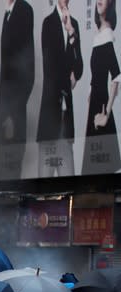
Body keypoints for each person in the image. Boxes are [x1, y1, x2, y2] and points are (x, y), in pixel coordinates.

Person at [36, 0, 83, 177]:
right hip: (49, 117)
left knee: (69, 182)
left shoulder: (75, 25)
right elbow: (49, 68)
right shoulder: (48, 23)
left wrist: (71, 33)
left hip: (65, 119)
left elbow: (79, 68)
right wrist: (67, 79)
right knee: (43, 185)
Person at [0, 0, 35, 180]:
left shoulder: (24, 10)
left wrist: (12, 114)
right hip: (5, 116)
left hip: (13, 116)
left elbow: (26, 70)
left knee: (9, 181)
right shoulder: (7, 13)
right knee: (2, 181)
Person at [81, 0, 121, 174]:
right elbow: (94, 79)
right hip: (94, 108)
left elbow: (116, 76)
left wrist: (106, 115)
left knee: (101, 173)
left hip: (101, 108)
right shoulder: (98, 35)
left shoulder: (106, 34)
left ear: (111, 4)